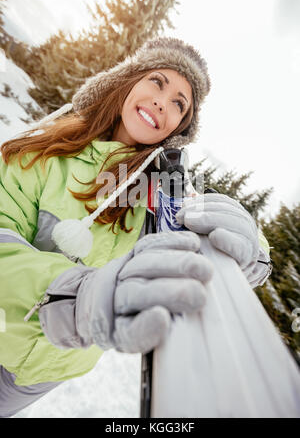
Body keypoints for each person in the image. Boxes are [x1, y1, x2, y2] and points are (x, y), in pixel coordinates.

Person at [0, 37, 271, 417]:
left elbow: (207, 226)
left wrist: (250, 252)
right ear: (127, 82)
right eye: (157, 82)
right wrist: (71, 296)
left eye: (180, 103)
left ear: (179, 128)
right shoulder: (45, 152)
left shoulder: (162, 191)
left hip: (43, 375)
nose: (163, 101)